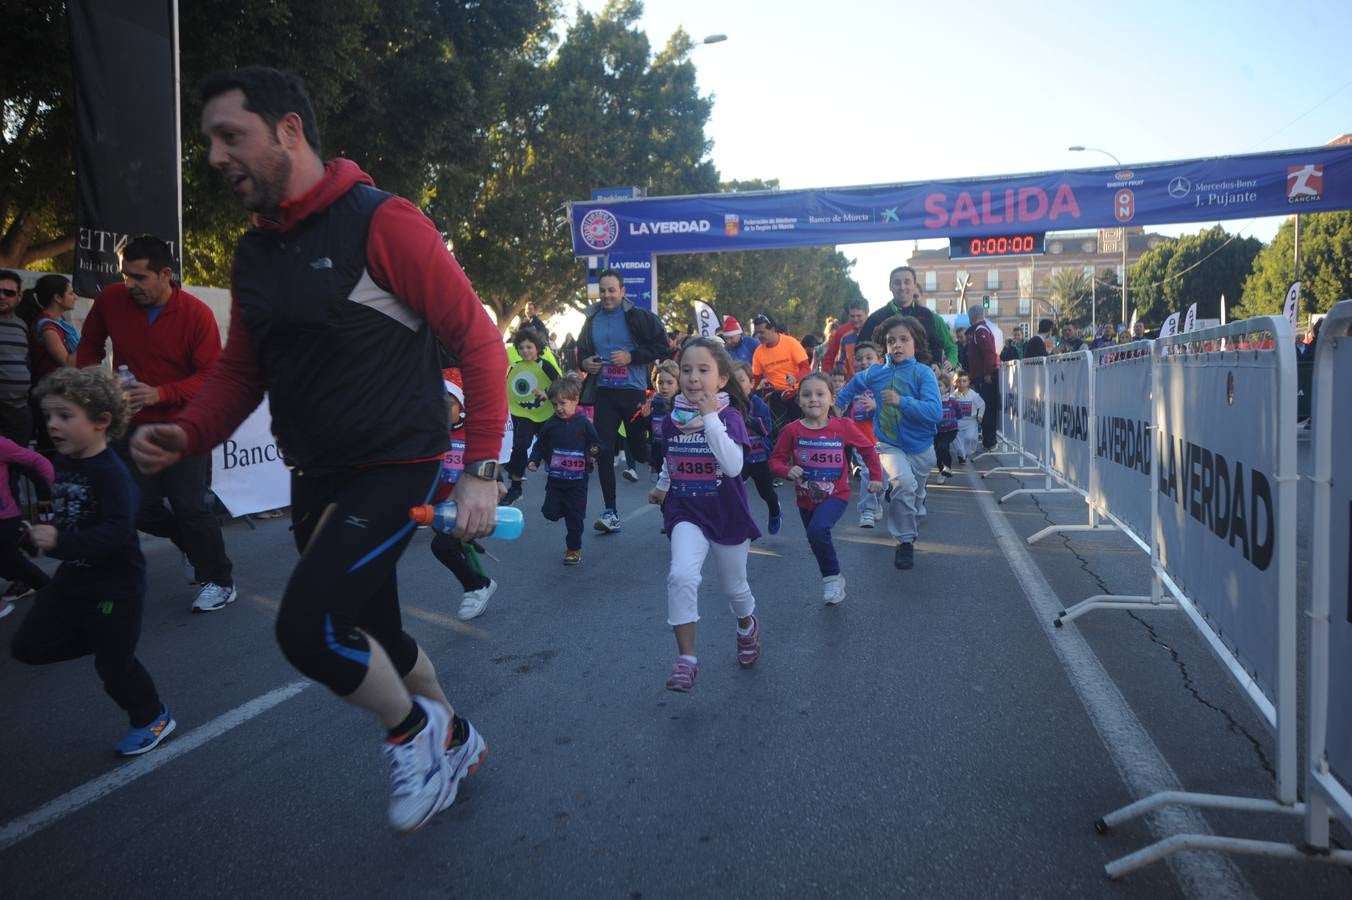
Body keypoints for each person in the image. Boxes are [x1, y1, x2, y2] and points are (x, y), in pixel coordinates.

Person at [134, 66, 501, 832]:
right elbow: (241, 369)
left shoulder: (383, 221)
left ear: (289, 131)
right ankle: (455, 737)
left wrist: (480, 469)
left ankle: (413, 736)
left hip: (394, 468)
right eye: (208, 141)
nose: (213, 155)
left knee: (308, 631)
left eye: (229, 135)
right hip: (316, 475)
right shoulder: (254, 253)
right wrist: (191, 431)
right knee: (383, 639)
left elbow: (478, 340)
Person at [12, 367, 175, 755]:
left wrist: (60, 542)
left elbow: (117, 534)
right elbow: (70, 515)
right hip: (73, 583)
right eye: (49, 415)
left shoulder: (113, 474)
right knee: (28, 646)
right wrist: (36, 537)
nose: (52, 425)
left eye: (65, 416)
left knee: (114, 669)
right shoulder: (67, 462)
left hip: (115, 590)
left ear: (102, 422)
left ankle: (153, 717)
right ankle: (105, 641)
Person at [77, 235, 237, 614]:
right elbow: (89, 347)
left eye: (138, 277)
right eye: (124, 276)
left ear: (165, 274)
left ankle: (220, 580)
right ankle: (189, 544)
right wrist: (90, 386)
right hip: (128, 426)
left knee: (190, 507)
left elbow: (212, 374)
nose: (129, 285)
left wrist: (161, 394)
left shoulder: (196, 313)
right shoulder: (111, 300)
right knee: (134, 508)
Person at [647, 337, 760, 692]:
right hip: (686, 511)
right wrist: (664, 485)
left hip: (726, 513)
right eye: (686, 370)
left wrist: (710, 418)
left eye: (703, 370)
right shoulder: (669, 421)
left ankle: (747, 626)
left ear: (721, 379)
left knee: (734, 587)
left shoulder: (729, 417)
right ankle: (687, 659)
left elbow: (733, 466)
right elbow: (671, 458)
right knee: (681, 575)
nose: (693, 378)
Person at [835, 316, 941, 571]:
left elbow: (934, 412)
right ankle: (905, 541)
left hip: (922, 448)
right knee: (903, 483)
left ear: (916, 343)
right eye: (892, 340)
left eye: (904, 340)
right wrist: (836, 409)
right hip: (889, 445)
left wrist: (901, 401)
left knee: (914, 494)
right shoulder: (876, 373)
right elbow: (851, 387)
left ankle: (913, 504)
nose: (897, 345)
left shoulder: (923, 373)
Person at [769, 372, 881, 605]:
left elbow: (868, 449)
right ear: (799, 400)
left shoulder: (843, 426)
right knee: (816, 538)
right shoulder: (792, 430)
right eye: (807, 395)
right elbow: (775, 460)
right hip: (805, 498)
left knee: (818, 531)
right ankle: (834, 577)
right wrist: (786, 471)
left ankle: (831, 578)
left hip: (836, 495)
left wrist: (876, 477)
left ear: (832, 399)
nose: (813, 399)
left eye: (820, 394)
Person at [575, 268, 669, 535]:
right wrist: (584, 362)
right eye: (602, 290)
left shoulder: (638, 317)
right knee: (603, 449)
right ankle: (610, 512)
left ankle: (669, 482)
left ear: (622, 291)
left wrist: (632, 357)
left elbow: (663, 347)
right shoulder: (591, 319)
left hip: (633, 392)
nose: (606, 295)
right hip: (604, 392)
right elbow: (581, 351)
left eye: (611, 290)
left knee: (640, 452)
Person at [428, 369, 498, 621]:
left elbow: (487, 463)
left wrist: (496, 482)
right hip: (438, 509)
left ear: (462, 405)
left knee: (442, 546)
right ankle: (481, 581)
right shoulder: (432, 436)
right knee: (451, 547)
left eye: (450, 403)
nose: (444, 409)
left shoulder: (471, 435)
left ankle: (476, 587)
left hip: (465, 507)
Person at [528, 375, 601, 565]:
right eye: (554, 404)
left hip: (578, 482)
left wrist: (594, 452)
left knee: (575, 518)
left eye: (563, 403)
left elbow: (595, 443)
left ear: (575, 400)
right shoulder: (550, 425)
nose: (559, 408)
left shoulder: (584, 423)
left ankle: (573, 549)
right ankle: (561, 509)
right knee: (550, 513)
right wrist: (534, 460)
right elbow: (540, 445)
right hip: (556, 481)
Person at [501, 328, 561, 506]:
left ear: (537, 347)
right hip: (524, 414)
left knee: (552, 451)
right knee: (520, 446)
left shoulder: (546, 365)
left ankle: (558, 489)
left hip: (545, 414)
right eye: (521, 348)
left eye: (529, 347)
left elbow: (561, 383)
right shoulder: (515, 367)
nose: (525, 351)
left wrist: (547, 392)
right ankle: (515, 488)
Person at [858, 266, 956, 368]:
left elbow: (935, 345)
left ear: (914, 285)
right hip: (886, 379)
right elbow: (861, 348)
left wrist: (936, 363)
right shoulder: (876, 318)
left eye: (907, 282)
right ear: (890, 286)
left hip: (920, 378)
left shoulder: (927, 315)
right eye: (897, 283)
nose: (902, 287)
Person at [0, 435, 54, 616]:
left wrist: (46, 495)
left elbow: (37, 462)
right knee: (9, 564)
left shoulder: (2, 444)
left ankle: (56, 596)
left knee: (14, 565)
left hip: (4, 519)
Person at [731, 362, 782, 535]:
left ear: (751, 383)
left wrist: (747, 419)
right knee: (734, 492)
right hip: (739, 458)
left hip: (759, 457)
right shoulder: (727, 404)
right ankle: (740, 523)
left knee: (766, 492)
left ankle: (775, 511)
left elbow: (767, 429)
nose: (737, 385)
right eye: (733, 381)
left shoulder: (758, 403)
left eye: (741, 380)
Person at [750, 313, 810, 430]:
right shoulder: (758, 352)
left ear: (772, 329)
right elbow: (755, 379)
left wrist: (795, 378)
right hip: (776, 395)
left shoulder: (791, 343)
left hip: (797, 391)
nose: (758, 336)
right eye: (757, 333)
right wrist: (748, 393)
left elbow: (806, 368)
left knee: (799, 425)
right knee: (777, 428)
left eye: (762, 332)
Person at [848, 341, 883, 527]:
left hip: (883, 440)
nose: (864, 362)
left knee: (882, 478)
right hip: (861, 440)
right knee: (867, 473)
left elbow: (895, 409)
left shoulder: (885, 382)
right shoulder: (854, 383)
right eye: (859, 359)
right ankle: (867, 510)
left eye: (869, 358)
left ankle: (876, 502)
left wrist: (877, 406)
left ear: (879, 360)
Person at [0, 271, 33, 451]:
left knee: (17, 467)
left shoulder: (21, 325)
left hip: (20, 410)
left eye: (9, 293)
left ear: (19, 297)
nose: (2, 296)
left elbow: (25, 361)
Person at [965, 304, 1000, 451]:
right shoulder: (980, 330)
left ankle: (990, 441)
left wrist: (986, 373)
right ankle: (988, 440)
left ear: (971, 316)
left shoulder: (980, 331)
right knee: (985, 408)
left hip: (984, 378)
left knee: (987, 409)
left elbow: (988, 352)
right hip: (980, 377)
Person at [821, 298, 869, 378]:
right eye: (852, 316)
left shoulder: (876, 332)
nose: (856, 319)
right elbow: (832, 358)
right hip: (850, 383)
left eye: (859, 316)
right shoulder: (843, 334)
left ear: (866, 314)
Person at [648, 360, 679, 478]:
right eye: (660, 382)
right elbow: (644, 430)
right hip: (658, 452)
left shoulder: (681, 404)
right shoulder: (653, 403)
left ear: (679, 384)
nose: (664, 387)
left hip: (676, 452)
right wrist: (644, 418)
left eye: (669, 383)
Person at [951, 371, 986, 463]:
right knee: (958, 443)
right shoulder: (953, 396)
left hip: (971, 422)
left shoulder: (973, 395)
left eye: (964, 381)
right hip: (958, 422)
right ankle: (961, 455)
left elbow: (982, 404)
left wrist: (980, 415)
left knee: (970, 438)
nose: (962, 384)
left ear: (969, 382)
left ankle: (965, 453)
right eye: (959, 381)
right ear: (955, 382)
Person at [933, 372, 959, 482]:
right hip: (937, 431)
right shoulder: (933, 401)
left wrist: (952, 422)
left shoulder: (952, 401)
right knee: (937, 452)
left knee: (942, 446)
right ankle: (941, 471)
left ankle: (948, 467)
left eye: (940, 385)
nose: (937, 387)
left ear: (947, 388)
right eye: (935, 385)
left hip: (950, 430)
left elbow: (958, 413)